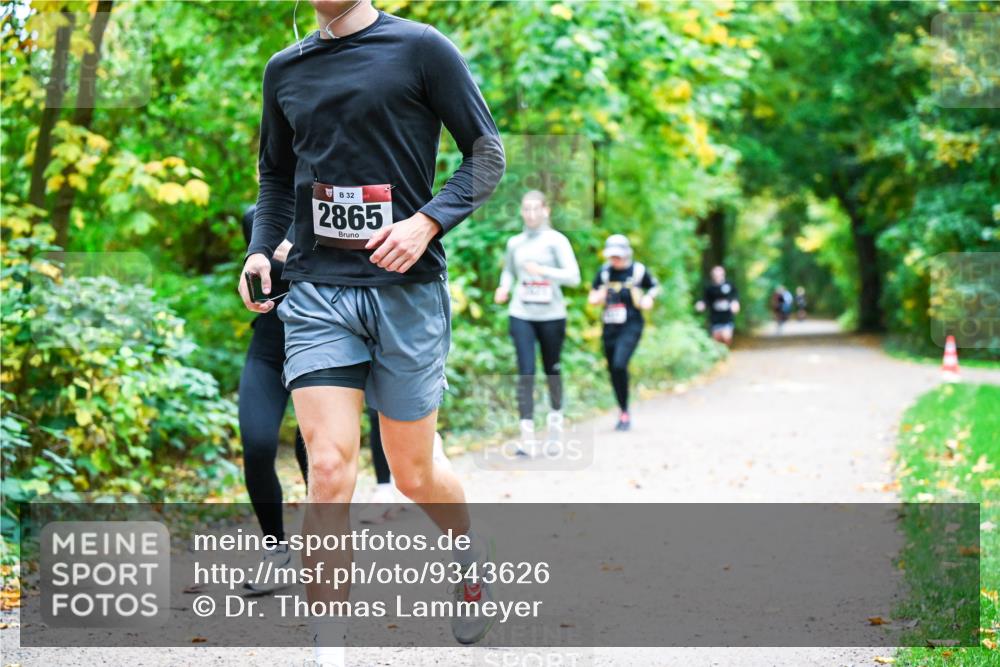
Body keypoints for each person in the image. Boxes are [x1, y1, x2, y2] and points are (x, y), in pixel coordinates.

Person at [238, 2, 505, 664]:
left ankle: (466, 546)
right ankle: (331, 649)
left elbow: (488, 153)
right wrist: (261, 248)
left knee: (414, 472)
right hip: (318, 291)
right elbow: (275, 175)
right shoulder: (285, 70)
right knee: (328, 467)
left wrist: (427, 223)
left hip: (406, 292)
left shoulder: (421, 49)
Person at [238, 206, 398, 597]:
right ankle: (275, 552)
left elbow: (353, 275)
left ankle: (326, 555)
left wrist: (293, 252)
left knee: (318, 456)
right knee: (257, 446)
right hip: (270, 348)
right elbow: (265, 276)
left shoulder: (335, 214)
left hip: (319, 350)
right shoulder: (256, 217)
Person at [494, 190, 580, 456]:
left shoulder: (556, 241)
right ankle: (527, 437)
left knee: (552, 369)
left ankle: (555, 429)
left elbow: (573, 277)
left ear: (546, 210)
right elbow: (509, 270)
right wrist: (504, 286)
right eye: (526, 209)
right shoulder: (515, 243)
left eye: (536, 209)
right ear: (522, 212)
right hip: (522, 313)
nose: (531, 214)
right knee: (526, 371)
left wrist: (543, 271)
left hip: (552, 315)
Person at [588, 235, 660, 432]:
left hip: (632, 325)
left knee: (620, 364)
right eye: (612, 256)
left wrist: (648, 298)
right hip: (609, 326)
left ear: (626, 254)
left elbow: (654, 287)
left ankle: (625, 411)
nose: (615, 260)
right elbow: (592, 296)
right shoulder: (603, 273)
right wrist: (598, 297)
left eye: (618, 256)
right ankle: (623, 410)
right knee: (613, 369)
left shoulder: (638, 271)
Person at [695, 265, 740, 347]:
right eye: (715, 275)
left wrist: (735, 303)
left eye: (719, 275)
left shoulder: (729, 285)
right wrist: (701, 305)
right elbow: (706, 300)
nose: (717, 277)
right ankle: (720, 353)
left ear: (723, 274)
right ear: (712, 276)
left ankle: (726, 350)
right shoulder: (709, 288)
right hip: (715, 319)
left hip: (727, 318)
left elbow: (735, 297)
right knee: (716, 340)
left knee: (726, 336)